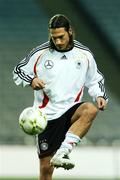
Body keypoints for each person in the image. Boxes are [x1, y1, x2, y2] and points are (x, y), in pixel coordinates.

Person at [13, 14, 108, 180]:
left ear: (70, 31)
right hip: (46, 116)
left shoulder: (84, 54)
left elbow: (95, 79)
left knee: (91, 110)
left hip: (71, 109)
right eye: (53, 37)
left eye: (61, 37)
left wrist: (99, 95)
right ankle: (56, 157)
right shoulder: (40, 53)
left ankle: (63, 152)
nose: (57, 41)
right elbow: (18, 71)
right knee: (45, 170)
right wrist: (32, 80)